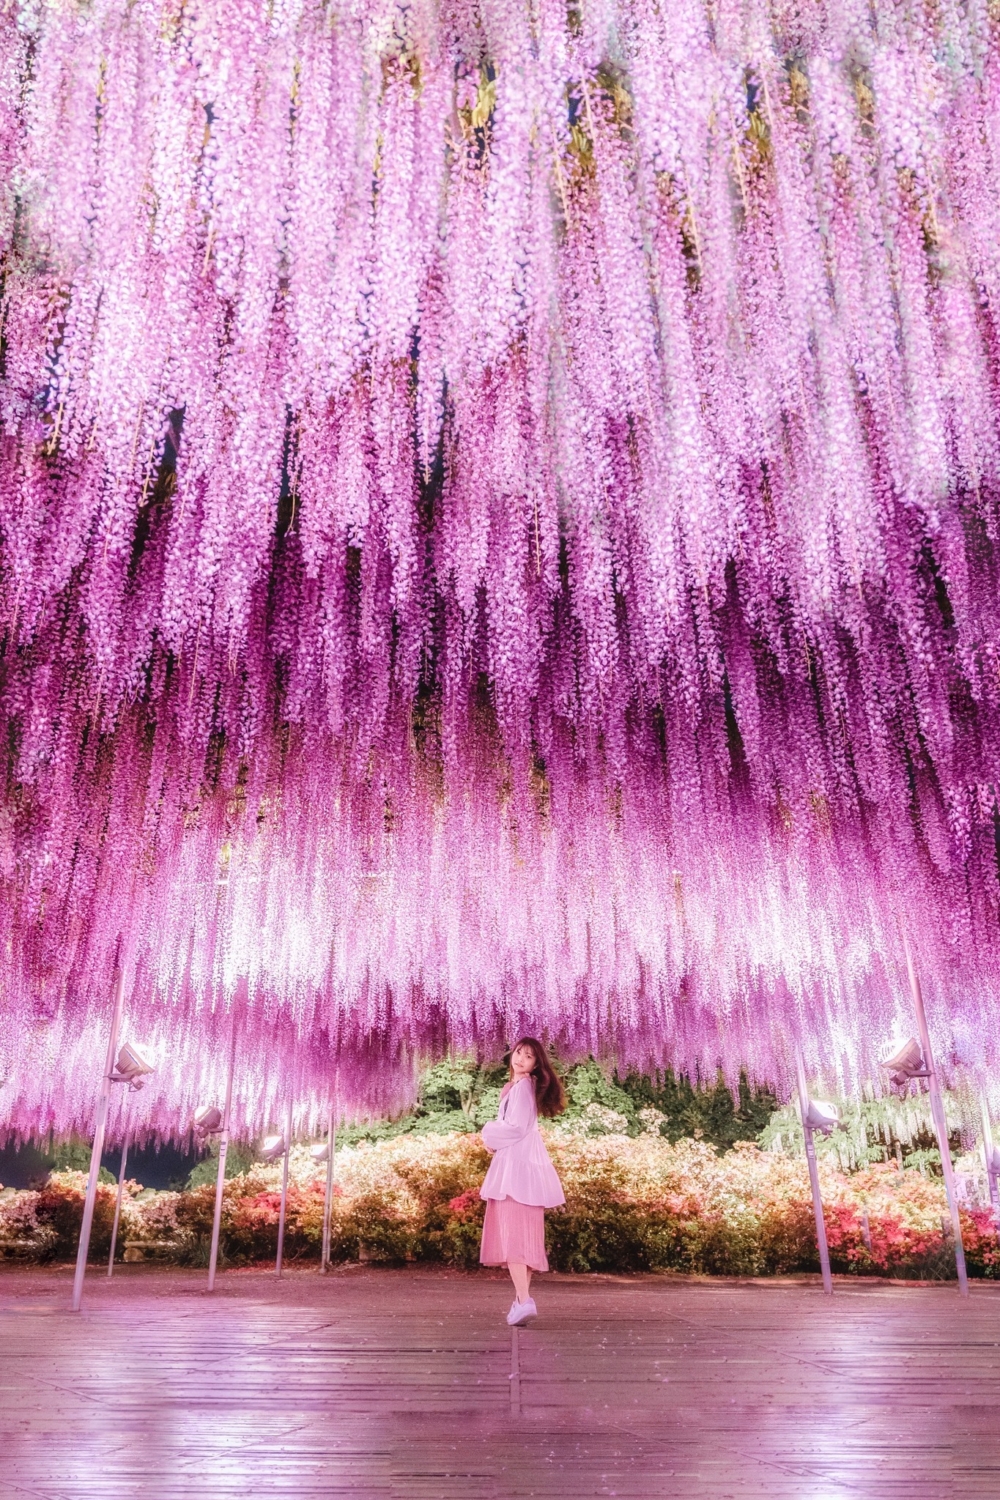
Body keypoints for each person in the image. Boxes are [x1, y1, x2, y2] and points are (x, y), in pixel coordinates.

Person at [479, 1037, 566, 1325]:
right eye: (518, 1053)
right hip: (524, 1170)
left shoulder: (523, 1088)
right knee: (525, 1240)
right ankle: (520, 1302)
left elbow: (515, 1128)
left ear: (536, 1064)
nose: (520, 1059)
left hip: (515, 1174)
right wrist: (495, 1140)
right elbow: (517, 1128)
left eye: (528, 1057)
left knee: (514, 1238)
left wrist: (488, 1134)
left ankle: (525, 1300)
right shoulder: (519, 1088)